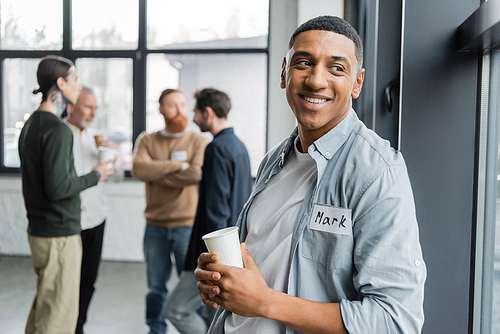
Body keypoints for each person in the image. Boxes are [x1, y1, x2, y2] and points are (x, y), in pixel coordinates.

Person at [195, 15, 426, 334]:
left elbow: (394, 320)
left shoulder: (377, 172)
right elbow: (264, 262)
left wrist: (265, 302)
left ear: (356, 83)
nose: (316, 80)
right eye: (303, 62)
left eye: (336, 68)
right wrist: (223, 281)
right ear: (283, 73)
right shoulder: (275, 159)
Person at [18, 55, 114, 334]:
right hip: (59, 236)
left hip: (40, 232)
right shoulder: (58, 130)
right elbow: (58, 188)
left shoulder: (31, 123)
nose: (78, 85)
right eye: (74, 79)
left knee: (44, 308)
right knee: (59, 318)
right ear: (60, 83)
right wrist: (95, 175)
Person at [164, 88, 253, 334]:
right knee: (214, 314)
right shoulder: (239, 146)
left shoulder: (216, 148)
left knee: (175, 310)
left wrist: (210, 262)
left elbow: (215, 210)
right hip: (232, 250)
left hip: (214, 255)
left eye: (195, 112)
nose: (193, 118)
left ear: (208, 112)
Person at [131, 88, 209, 334]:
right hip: (154, 226)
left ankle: (192, 329)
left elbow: (195, 174)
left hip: (187, 227)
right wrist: (177, 166)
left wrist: (156, 170)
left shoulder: (198, 140)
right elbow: (139, 170)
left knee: (192, 287)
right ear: (161, 109)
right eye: (173, 105)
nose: (180, 110)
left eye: (183, 105)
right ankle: (155, 329)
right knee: (156, 287)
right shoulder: (147, 139)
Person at [65, 87, 122, 334]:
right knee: (67, 282)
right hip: (70, 222)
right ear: (72, 105)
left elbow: (117, 177)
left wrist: (112, 157)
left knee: (87, 282)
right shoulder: (60, 135)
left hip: (96, 219)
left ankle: (79, 326)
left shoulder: (97, 137)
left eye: (96, 107)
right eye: (88, 106)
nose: (93, 112)